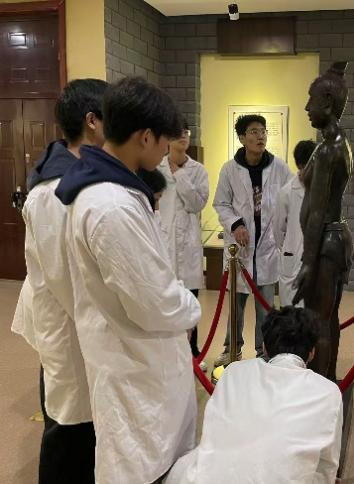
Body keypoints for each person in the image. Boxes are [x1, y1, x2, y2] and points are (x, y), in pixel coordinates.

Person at [55, 76, 201, 484]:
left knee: (150, 456)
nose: (166, 149)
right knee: (139, 463)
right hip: (134, 362)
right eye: (164, 141)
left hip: (135, 353)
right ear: (145, 137)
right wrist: (191, 307)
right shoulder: (112, 206)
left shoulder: (115, 189)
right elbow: (154, 301)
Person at [12, 78, 108, 484]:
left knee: (78, 420)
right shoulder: (55, 190)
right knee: (68, 426)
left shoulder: (80, 175)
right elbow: (63, 276)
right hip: (68, 323)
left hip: (77, 322)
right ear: (92, 121)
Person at [164, 306, 343, 484]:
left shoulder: (233, 371)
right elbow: (327, 468)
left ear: (264, 347)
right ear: (312, 352)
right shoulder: (328, 391)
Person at [213, 114, 292, 366]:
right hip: (240, 251)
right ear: (242, 138)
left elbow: (291, 200)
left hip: (267, 249)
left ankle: (264, 352)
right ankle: (232, 349)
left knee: (265, 309)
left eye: (263, 131)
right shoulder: (229, 169)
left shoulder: (280, 168)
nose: (260, 136)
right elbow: (221, 203)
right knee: (235, 306)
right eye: (254, 131)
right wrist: (236, 224)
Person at [293, 62, 353, 382]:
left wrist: (307, 261)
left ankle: (320, 388)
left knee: (319, 322)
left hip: (326, 243)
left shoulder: (330, 149)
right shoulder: (334, 143)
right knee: (327, 320)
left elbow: (317, 211)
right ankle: (327, 381)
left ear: (327, 103)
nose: (306, 107)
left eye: (311, 99)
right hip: (333, 239)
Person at [157, 119, 209, 369]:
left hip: (188, 247)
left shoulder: (198, 170)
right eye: (177, 133)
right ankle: (168, 351)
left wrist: (179, 174)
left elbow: (196, 203)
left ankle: (192, 350)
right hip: (164, 243)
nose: (183, 136)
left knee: (190, 301)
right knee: (166, 300)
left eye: (186, 132)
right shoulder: (156, 168)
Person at [273, 139, 317, 307]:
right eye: (310, 165)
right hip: (292, 259)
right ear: (300, 165)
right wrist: (290, 247)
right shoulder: (286, 193)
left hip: (317, 261)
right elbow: (279, 230)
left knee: (314, 311)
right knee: (292, 312)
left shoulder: (324, 190)